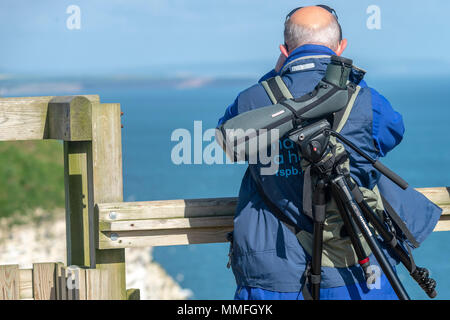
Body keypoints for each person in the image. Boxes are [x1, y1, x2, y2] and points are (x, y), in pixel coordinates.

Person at [218, 5, 409, 300]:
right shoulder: (367, 100)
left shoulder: (253, 100)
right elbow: (391, 134)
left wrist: (278, 75)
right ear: (341, 47)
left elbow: (227, 142)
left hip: (272, 268)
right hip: (354, 264)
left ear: (284, 49)